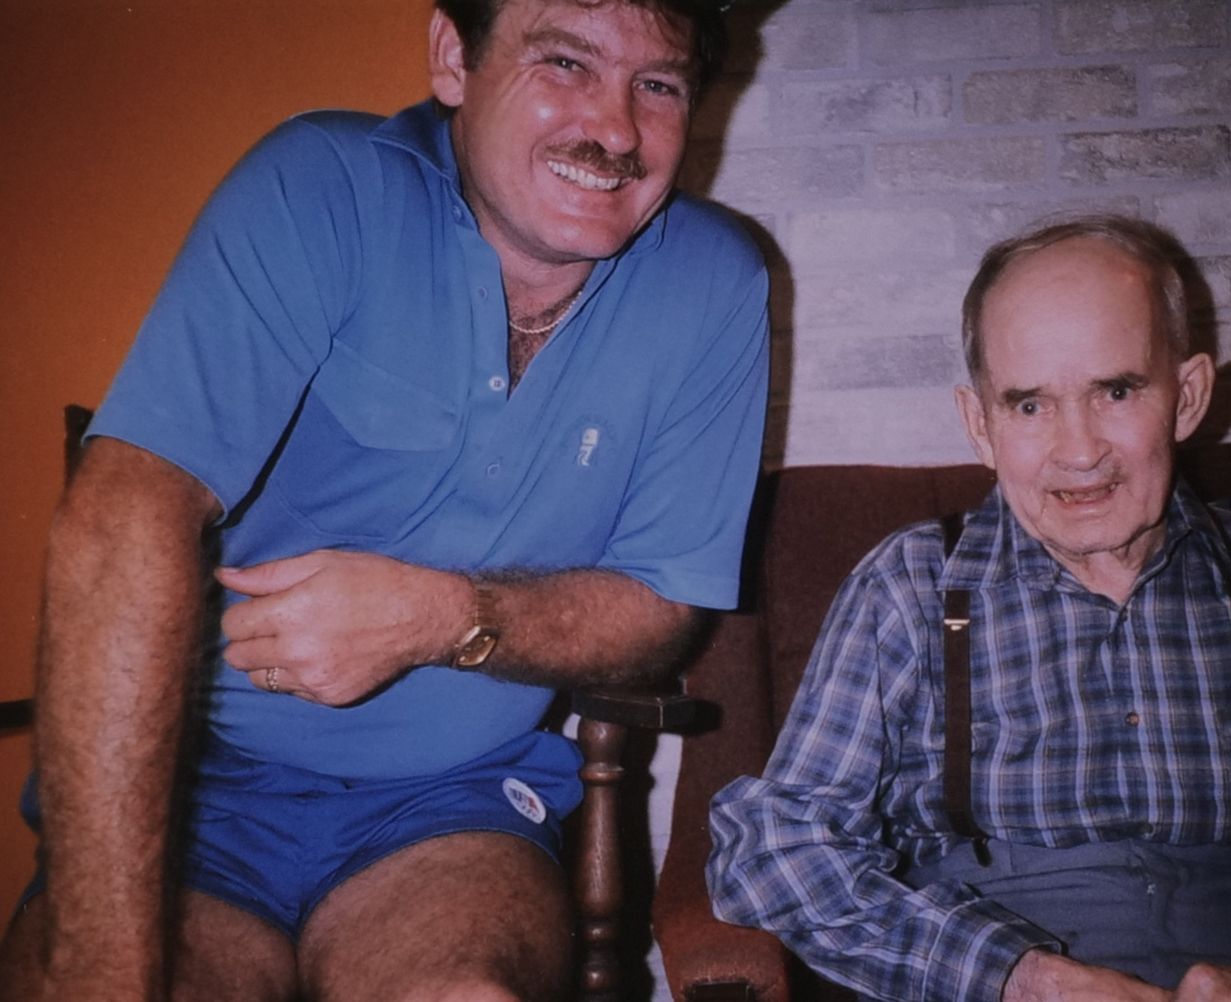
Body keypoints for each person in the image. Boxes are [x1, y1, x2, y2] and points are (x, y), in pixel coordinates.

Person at [0, 0, 767, 999]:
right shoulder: (319, 185)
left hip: (453, 809)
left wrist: (441, 617)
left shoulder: (716, 282)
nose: (615, 130)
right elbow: (123, 517)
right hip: (193, 786)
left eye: (656, 83)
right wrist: (103, 970)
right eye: (565, 62)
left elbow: (662, 604)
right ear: (454, 56)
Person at [707, 215, 1231, 1002]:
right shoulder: (911, 588)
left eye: (1116, 391)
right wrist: (1017, 978)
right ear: (981, 425)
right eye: (1029, 405)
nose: (1079, 451)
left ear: (1188, 396)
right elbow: (771, 848)